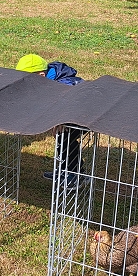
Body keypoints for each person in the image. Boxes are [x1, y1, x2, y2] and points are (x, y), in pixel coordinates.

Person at [15, 53, 86, 188]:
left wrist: (61, 120)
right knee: (63, 140)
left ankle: (74, 176)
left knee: (66, 139)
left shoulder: (64, 84)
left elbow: (71, 103)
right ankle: (68, 170)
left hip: (80, 115)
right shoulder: (48, 80)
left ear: (41, 75)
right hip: (66, 114)